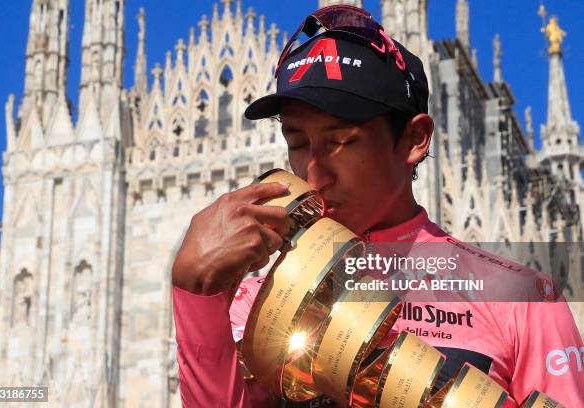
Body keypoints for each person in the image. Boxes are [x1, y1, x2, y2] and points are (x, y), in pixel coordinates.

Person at [171, 6, 583, 407]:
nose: (314, 173)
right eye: (297, 142)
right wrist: (196, 294)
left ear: (413, 139)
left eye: (341, 142)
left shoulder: (521, 299)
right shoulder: (260, 303)